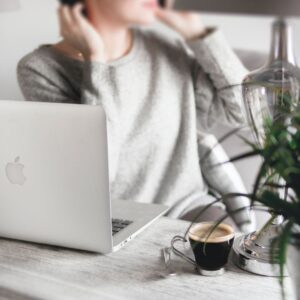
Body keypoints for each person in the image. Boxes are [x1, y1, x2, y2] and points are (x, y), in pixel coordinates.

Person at [17, 0, 255, 232]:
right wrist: (97, 59)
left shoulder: (168, 49)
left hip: (187, 210)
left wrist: (198, 34)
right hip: (112, 222)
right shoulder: (40, 69)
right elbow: (98, 170)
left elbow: (247, 115)